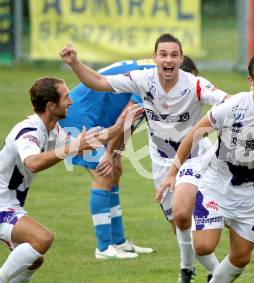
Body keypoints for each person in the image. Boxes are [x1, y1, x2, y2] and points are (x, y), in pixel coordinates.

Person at [59, 34, 227, 282]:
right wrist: (74, 62)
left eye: (174, 55)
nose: (169, 61)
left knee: (182, 215)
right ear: (155, 58)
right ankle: (190, 268)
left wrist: (249, 107)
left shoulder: (195, 84)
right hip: (142, 152)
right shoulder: (145, 80)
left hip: (193, 160)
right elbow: (106, 93)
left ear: (181, 60)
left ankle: (205, 272)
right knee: (177, 223)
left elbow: (227, 101)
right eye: (163, 55)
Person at [159, 51, 254, 283]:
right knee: (204, 246)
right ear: (251, 81)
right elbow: (194, 135)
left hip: (252, 191)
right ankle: (187, 264)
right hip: (217, 181)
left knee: (241, 257)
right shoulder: (233, 106)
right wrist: (172, 173)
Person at [59, 56, 196, 260]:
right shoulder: (155, 81)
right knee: (103, 176)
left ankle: (119, 242)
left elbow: (130, 121)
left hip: (93, 115)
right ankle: (104, 248)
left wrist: (115, 153)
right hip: (80, 118)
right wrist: (108, 154)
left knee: (114, 171)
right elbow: (129, 114)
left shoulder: (155, 70)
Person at [0, 77, 131, 283]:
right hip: (1, 206)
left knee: (33, 260)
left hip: (11, 205)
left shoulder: (53, 130)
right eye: (66, 97)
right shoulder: (29, 132)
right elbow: (32, 162)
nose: (71, 101)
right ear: (51, 105)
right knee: (43, 238)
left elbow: (87, 141)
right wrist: (72, 148)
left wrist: (121, 125)